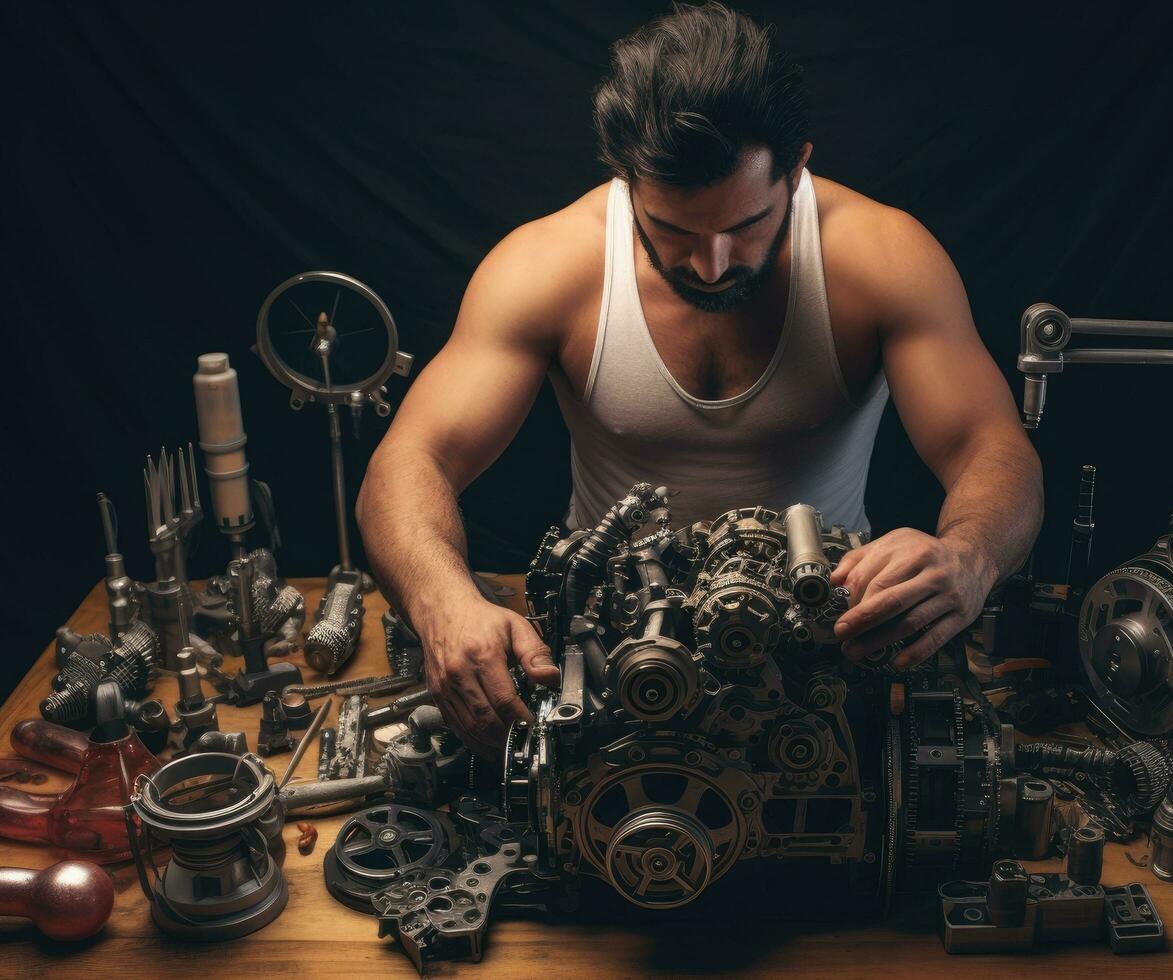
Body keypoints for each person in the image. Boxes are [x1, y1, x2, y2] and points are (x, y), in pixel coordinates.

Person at [357, 3, 1042, 755]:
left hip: (824, 654)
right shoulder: (546, 268)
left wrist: (968, 556)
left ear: (797, 166)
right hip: (607, 662)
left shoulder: (883, 259)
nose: (711, 265)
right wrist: (443, 602)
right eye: (676, 232)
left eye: (746, 226)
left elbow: (993, 449)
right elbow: (407, 461)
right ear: (626, 179)